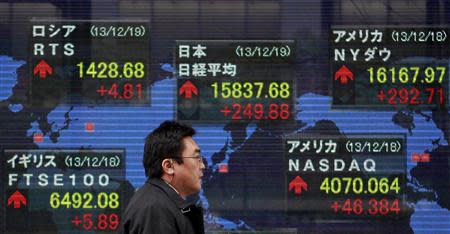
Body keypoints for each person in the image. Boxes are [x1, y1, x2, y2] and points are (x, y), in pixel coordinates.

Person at [121, 121, 205, 234]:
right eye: (197, 158)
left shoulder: (159, 203)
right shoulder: (156, 210)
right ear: (168, 166)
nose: (202, 166)